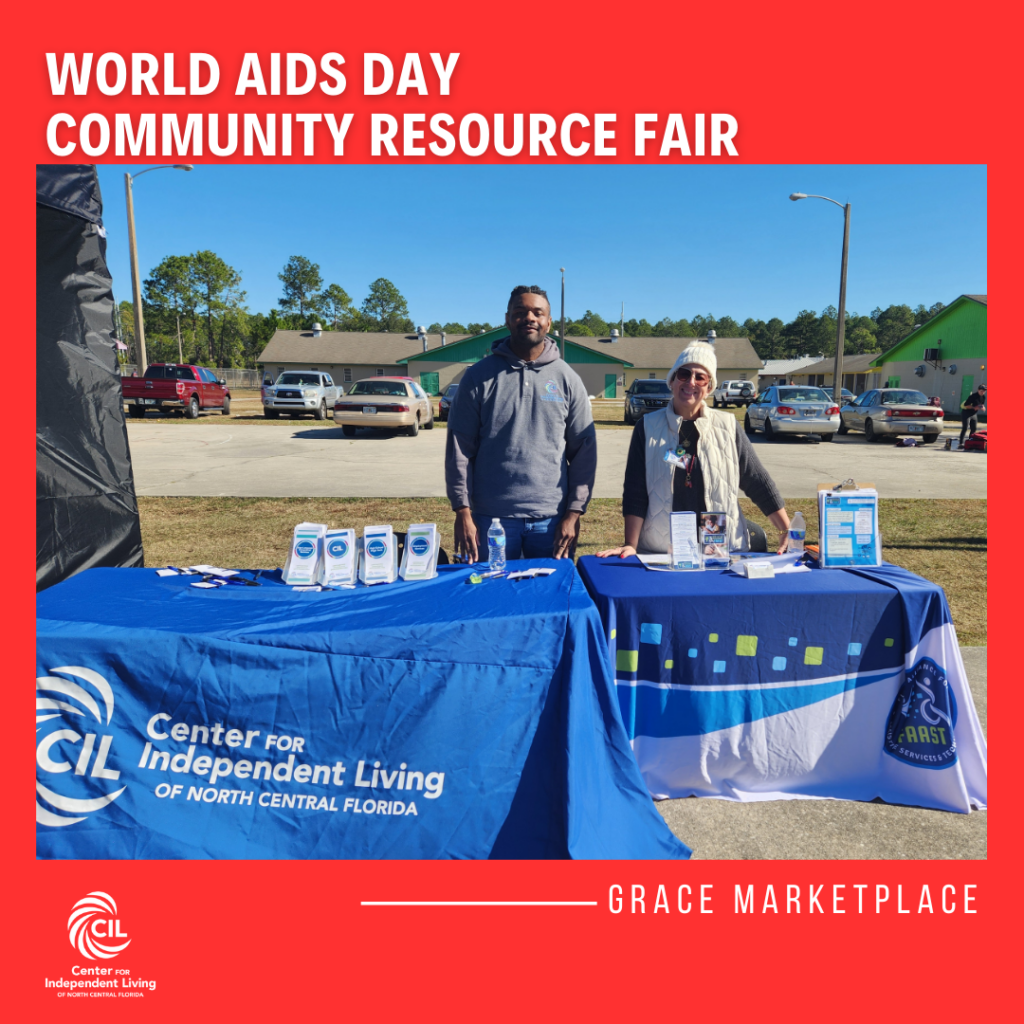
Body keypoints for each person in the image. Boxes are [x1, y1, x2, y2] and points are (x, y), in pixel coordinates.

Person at [596, 342, 791, 559]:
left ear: (709, 387)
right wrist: (630, 544)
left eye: (700, 377)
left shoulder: (727, 426)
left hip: (718, 551)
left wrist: (785, 530)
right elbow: (635, 490)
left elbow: (756, 480)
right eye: (684, 374)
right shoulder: (648, 426)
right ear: (672, 381)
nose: (691, 382)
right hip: (663, 551)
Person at [445, 285, 597, 562]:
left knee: (549, 599)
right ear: (507, 319)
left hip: (552, 519)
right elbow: (459, 449)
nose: (529, 317)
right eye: (520, 311)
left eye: (538, 312)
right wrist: (462, 511)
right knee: (492, 597)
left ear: (549, 322)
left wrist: (574, 513)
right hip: (491, 518)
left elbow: (584, 452)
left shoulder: (567, 378)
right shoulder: (478, 377)